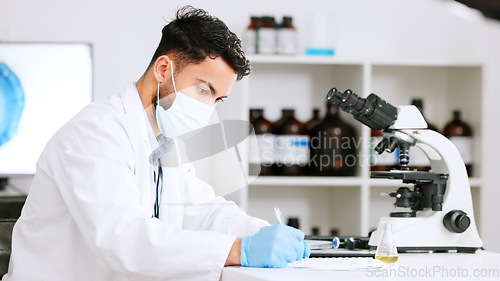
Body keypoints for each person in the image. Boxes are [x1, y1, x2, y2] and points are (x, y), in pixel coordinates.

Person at [3, 6, 310, 281]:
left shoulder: (164, 141)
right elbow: (123, 238)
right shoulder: (96, 133)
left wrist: (260, 232)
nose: (208, 108)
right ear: (164, 69)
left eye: (218, 99)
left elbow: (201, 210)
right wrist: (237, 249)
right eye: (204, 90)